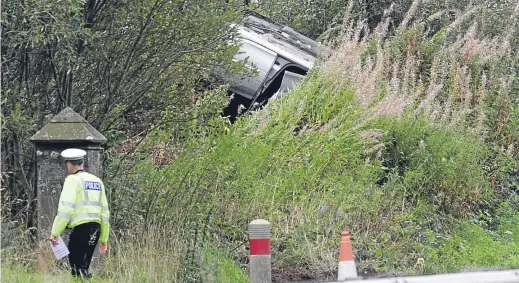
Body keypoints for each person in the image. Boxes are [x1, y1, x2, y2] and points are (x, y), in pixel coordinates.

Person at [49, 148, 110, 279]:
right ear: (82, 163)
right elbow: (105, 213)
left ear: (69, 164)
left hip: (81, 229)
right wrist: (104, 239)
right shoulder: (97, 181)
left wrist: (55, 232)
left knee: (77, 268)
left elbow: (66, 209)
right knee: (84, 266)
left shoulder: (72, 180)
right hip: (96, 229)